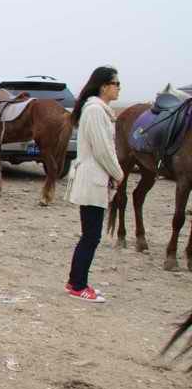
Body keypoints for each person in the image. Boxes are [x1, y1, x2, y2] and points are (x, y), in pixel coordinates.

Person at [64, 66, 124, 302]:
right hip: (93, 179)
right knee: (91, 236)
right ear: (104, 85)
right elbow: (103, 150)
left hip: (94, 178)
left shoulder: (97, 110)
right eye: (116, 83)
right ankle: (78, 285)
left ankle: (76, 281)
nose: (119, 88)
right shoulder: (96, 111)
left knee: (90, 235)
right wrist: (119, 173)